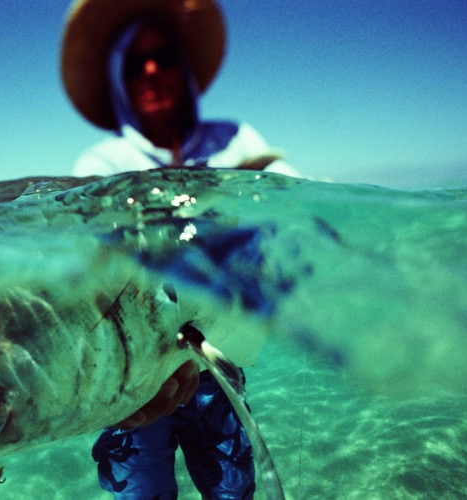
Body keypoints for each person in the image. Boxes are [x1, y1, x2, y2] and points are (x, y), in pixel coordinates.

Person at [60, 0, 298, 497]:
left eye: (163, 56)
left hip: (218, 364)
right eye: (133, 63)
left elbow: (292, 193)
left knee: (235, 492)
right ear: (118, 81)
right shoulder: (102, 162)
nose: (150, 71)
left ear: (183, 67)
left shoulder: (235, 139)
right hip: (135, 376)